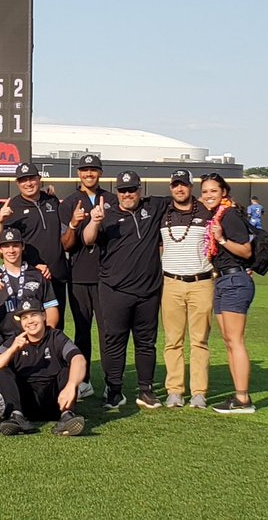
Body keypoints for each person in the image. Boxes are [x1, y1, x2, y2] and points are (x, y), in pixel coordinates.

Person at [82, 170, 170, 410]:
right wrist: (94, 221)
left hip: (148, 290)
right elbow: (88, 239)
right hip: (115, 289)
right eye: (123, 190)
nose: (127, 194)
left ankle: (146, 389)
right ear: (117, 191)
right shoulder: (106, 214)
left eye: (132, 189)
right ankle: (114, 389)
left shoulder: (154, 206)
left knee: (145, 342)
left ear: (140, 190)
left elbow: (183, 199)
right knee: (114, 341)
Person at [0, 298, 87, 436]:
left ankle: (67, 416)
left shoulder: (56, 337)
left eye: (34, 315)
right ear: (20, 322)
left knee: (67, 369)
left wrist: (71, 385)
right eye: (25, 318)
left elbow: (79, 359)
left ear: (43, 316)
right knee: (2, 370)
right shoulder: (15, 340)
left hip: (56, 401)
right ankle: (16, 417)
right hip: (25, 403)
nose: (30, 321)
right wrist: (12, 350)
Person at [201, 173, 257, 414]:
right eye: (204, 192)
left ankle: (243, 399)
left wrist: (221, 239)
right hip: (224, 280)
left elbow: (246, 251)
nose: (208, 195)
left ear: (224, 192)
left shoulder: (230, 215)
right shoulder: (219, 214)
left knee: (235, 341)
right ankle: (239, 396)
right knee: (229, 341)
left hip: (235, 280)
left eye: (213, 190)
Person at [159, 169, 215, 409]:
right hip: (171, 283)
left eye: (183, 185)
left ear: (191, 186)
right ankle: (174, 391)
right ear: (171, 187)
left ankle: (199, 393)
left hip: (201, 282)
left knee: (199, 340)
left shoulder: (207, 211)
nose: (179, 189)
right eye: (175, 185)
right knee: (173, 341)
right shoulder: (162, 212)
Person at [0, 162, 69, 329]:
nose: (28, 183)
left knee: (56, 327)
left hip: (57, 273)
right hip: (31, 276)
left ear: (39, 179)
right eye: (23, 180)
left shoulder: (51, 200)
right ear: (18, 183)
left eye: (32, 178)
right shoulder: (13, 207)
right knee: (32, 324)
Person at [58, 153, 111, 399]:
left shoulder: (111, 198)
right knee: (82, 331)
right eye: (84, 170)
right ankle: (84, 380)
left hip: (108, 276)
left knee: (108, 332)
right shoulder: (70, 202)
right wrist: (74, 223)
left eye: (93, 169)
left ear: (100, 172)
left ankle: (113, 382)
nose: (89, 174)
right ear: (78, 173)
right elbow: (66, 245)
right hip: (78, 276)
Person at [0, 228, 59, 342]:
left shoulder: (38, 275)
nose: (11, 250)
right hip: (5, 341)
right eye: (6, 246)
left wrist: (46, 335)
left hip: (36, 337)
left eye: (15, 245)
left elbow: (51, 309)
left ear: (22, 246)